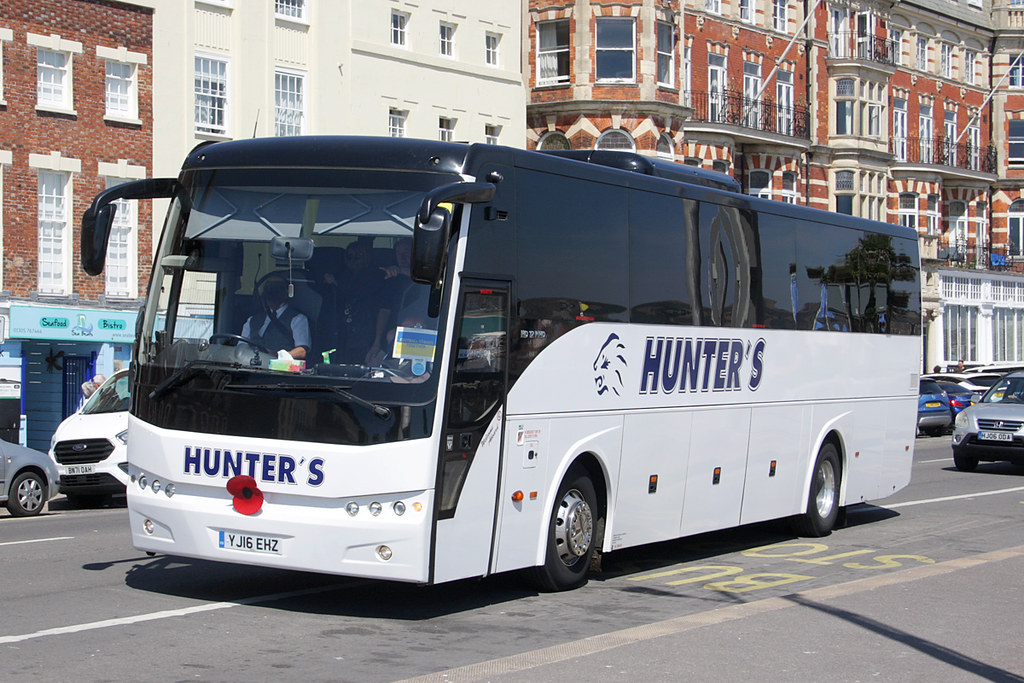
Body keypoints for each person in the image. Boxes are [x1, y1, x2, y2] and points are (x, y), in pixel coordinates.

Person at [241, 274, 311, 359]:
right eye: (269, 289)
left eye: (277, 289)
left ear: (286, 293)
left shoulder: (297, 319)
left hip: (279, 366)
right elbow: (241, 347)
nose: (272, 293)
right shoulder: (252, 320)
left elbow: (302, 350)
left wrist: (279, 357)